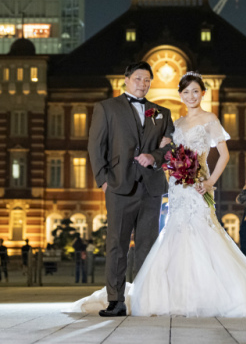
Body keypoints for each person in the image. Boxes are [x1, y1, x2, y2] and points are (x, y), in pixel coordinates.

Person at [68, 71, 246, 319]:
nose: (191, 96)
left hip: (198, 187)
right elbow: (166, 151)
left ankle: (209, 295)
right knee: (174, 236)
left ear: (203, 93)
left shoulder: (210, 119)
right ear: (180, 95)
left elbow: (224, 154)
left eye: (195, 91)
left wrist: (210, 182)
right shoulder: (176, 122)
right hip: (176, 188)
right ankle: (175, 295)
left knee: (202, 235)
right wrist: (163, 153)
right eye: (186, 92)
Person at [86, 62, 175, 317]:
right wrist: (103, 180)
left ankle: (145, 299)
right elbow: (95, 146)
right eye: (138, 78)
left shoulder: (162, 112)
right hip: (118, 185)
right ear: (126, 79)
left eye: (147, 80)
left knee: (148, 245)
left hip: (152, 187)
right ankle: (116, 301)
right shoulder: (106, 108)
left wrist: (154, 156)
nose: (142, 84)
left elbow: (172, 146)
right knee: (117, 244)